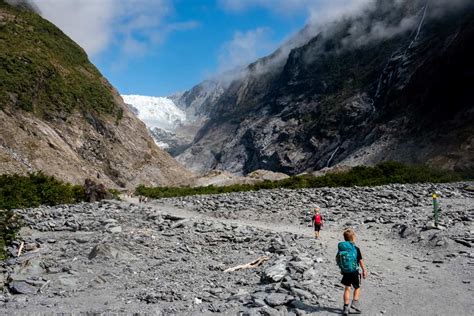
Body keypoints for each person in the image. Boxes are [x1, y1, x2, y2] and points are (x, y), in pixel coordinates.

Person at [336, 228, 368, 315]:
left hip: (345, 271)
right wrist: (364, 270)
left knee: (347, 288)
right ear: (353, 238)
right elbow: (360, 261)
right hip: (354, 271)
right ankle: (355, 304)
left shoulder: (342, 249)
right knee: (357, 287)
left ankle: (345, 308)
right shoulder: (356, 249)